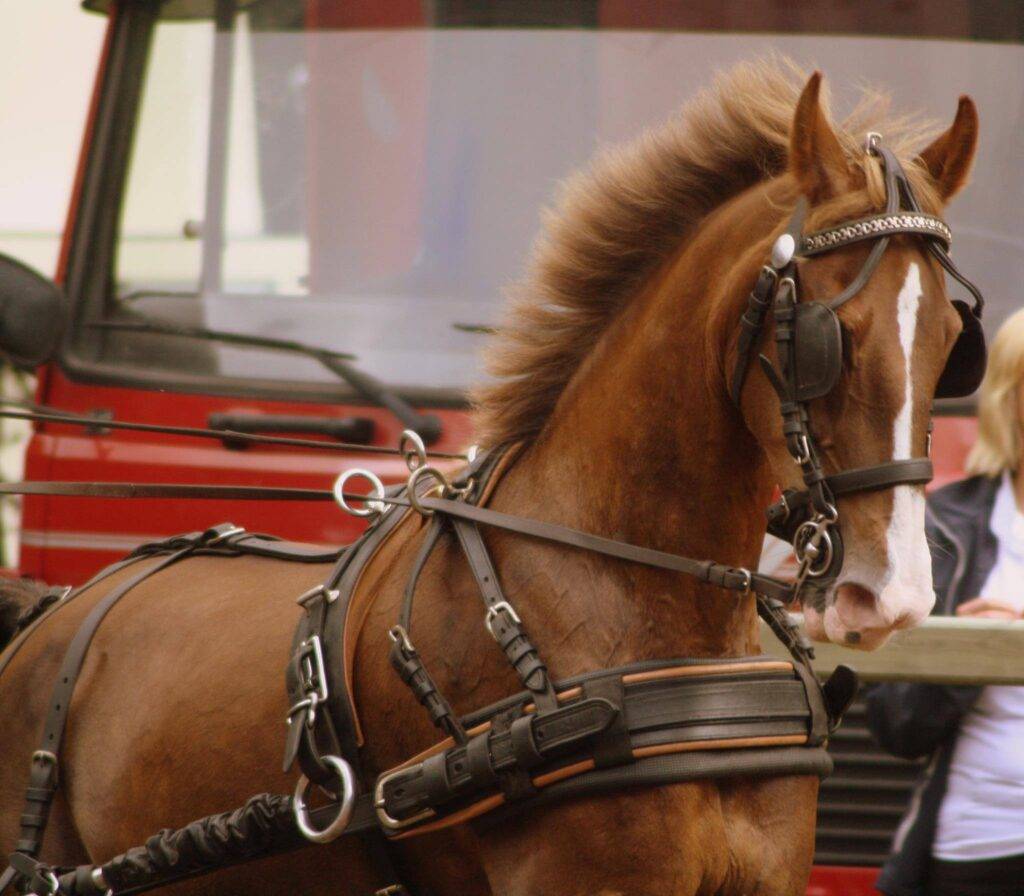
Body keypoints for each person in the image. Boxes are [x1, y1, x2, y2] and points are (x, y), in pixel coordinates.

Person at [867, 307, 1024, 896]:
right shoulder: (940, 525)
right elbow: (895, 727)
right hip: (974, 847)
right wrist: (964, 654)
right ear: (1010, 400)